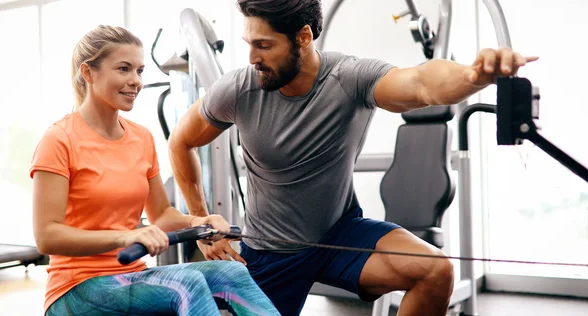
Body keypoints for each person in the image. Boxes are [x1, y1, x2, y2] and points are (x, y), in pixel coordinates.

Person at [168, 1, 538, 315]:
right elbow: (181, 142)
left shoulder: (348, 77)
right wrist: (200, 219)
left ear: (304, 37)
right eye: (249, 44)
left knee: (434, 270)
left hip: (338, 235)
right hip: (269, 250)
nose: (252, 58)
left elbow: (421, 83)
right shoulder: (240, 87)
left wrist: (474, 76)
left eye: (263, 45)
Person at [30, 25, 280, 316]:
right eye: (124, 69)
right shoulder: (59, 139)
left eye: (139, 71)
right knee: (186, 283)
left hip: (130, 275)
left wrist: (201, 220)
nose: (135, 81)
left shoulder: (141, 137)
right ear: (88, 73)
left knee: (230, 273)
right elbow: (47, 236)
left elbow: (162, 215)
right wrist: (126, 237)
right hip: (76, 288)